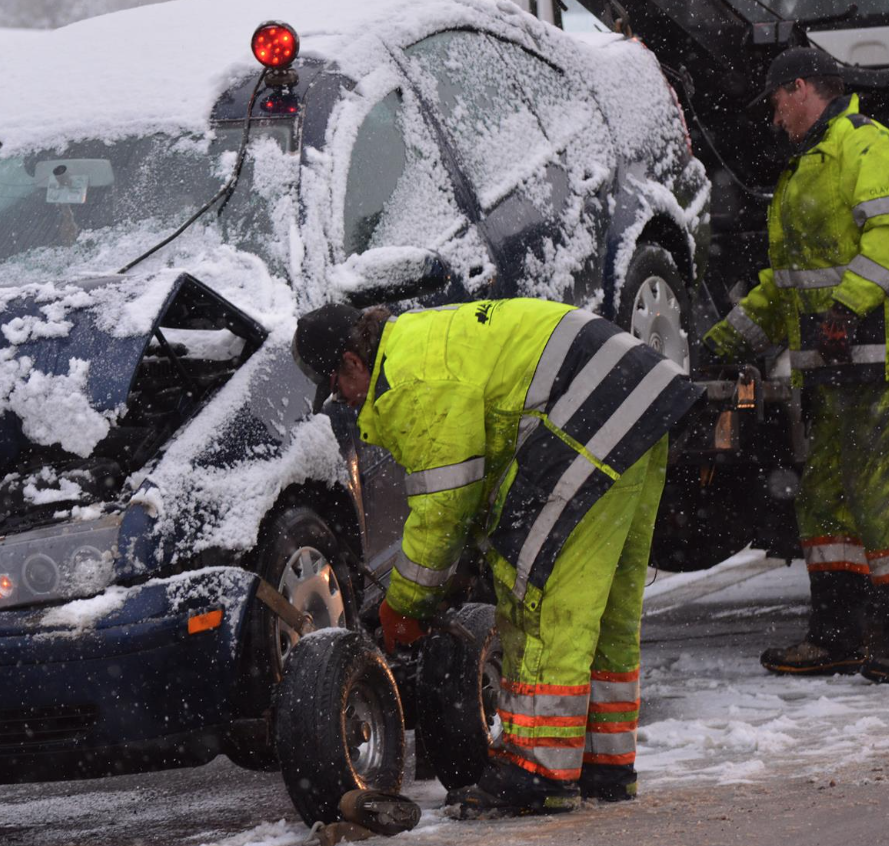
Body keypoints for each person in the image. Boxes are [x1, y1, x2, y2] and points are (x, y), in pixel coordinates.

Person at [292, 298, 701, 818]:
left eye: (337, 388)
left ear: (353, 363)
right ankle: (604, 764)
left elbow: (444, 503)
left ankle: (537, 773)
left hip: (591, 408)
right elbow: (479, 470)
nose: (343, 403)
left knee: (540, 591)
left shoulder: (407, 381)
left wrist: (407, 604)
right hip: (636, 399)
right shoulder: (421, 341)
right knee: (603, 606)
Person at [703, 46, 889, 684]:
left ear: (801, 88)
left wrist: (845, 310)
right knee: (827, 502)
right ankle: (839, 636)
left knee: (887, 498)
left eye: (775, 101)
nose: (772, 117)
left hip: (883, 356)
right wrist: (725, 339)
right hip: (835, 365)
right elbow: (788, 283)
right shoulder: (805, 166)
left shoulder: (864, 146)